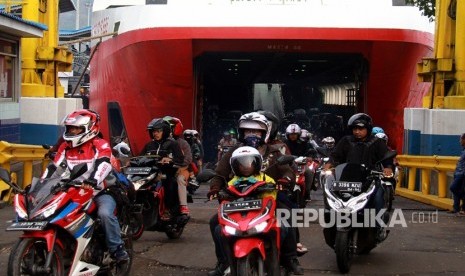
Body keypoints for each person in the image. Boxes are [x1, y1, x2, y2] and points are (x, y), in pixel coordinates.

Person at [207, 112, 303, 276]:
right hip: (237, 198)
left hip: (268, 197)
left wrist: (285, 181)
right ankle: (223, 262)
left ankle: (290, 259)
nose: (252, 135)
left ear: (265, 133)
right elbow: (219, 174)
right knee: (215, 224)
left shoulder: (273, 152)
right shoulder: (233, 152)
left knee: (288, 218)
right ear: (241, 133)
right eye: (247, 131)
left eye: (256, 132)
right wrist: (215, 188)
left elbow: (288, 171)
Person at [41, 109, 129, 262]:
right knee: (52, 213)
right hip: (72, 191)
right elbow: (54, 168)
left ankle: (117, 249)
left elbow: (103, 164)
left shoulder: (100, 144)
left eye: (76, 128)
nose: (72, 131)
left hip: (100, 191)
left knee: (105, 214)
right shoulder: (65, 147)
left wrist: (93, 181)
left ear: (89, 128)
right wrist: (42, 185)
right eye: (70, 128)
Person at [324, 113, 394, 238]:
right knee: (330, 194)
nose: (357, 132)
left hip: (370, 179)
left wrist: (388, 167)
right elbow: (335, 155)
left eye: (361, 129)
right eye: (355, 129)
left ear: (368, 129)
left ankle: (379, 227)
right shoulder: (346, 141)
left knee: (378, 197)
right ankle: (331, 222)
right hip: (346, 179)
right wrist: (329, 163)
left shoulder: (376, 142)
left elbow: (386, 157)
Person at [140, 118, 185, 220]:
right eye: (153, 131)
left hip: (167, 172)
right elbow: (140, 157)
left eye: (158, 131)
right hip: (150, 173)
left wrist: (170, 159)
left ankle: (169, 209)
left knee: (169, 183)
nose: (155, 134)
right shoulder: (149, 145)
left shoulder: (172, 144)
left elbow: (180, 158)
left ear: (165, 131)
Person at [163, 116, 192, 215]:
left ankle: (183, 205)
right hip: (166, 170)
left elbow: (188, 159)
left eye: (169, 128)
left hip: (181, 169)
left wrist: (173, 162)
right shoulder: (161, 143)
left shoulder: (183, 143)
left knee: (180, 179)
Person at [449, 133, 465, 215]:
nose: (460, 141)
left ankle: (463, 200)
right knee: (457, 190)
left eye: (461, 139)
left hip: (461, 174)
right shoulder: (463, 150)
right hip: (458, 173)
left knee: (453, 188)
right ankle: (456, 208)